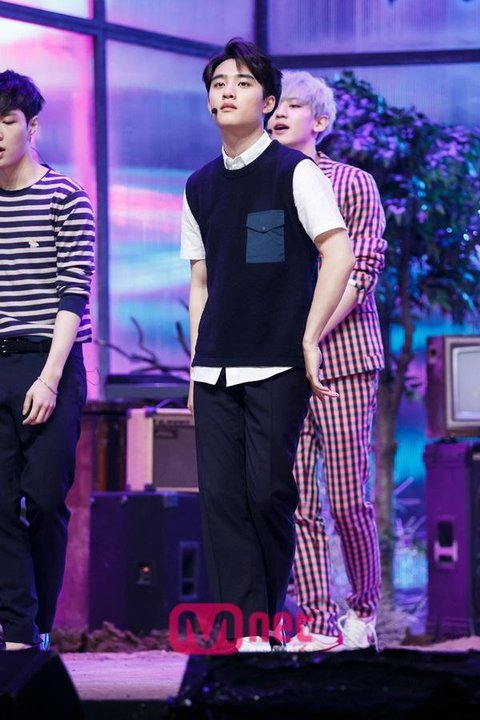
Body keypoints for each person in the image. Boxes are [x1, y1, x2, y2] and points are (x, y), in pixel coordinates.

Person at [180, 39, 355, 652]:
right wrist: (195, 364)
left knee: (268, 492)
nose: (228, 91)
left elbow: (339, 253)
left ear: (270, 101)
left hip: (277, 362)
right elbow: (200, 283)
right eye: (219, 83)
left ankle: (267, 619)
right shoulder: (199, 185)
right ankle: (247, 632)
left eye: (243, 82)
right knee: (221, 501)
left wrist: (309, 336)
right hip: (214, 367)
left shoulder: (295, 172)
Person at [268, 71, 386, 651]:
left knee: (346, 498)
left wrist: (311, 334)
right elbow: (260, 274)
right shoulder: (263, 188)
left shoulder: (353, 183)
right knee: (297, 502)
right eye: (275, 104)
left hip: (342, 360)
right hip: (283, 366)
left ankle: (363, 610)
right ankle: (319, 620)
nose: (279, 113)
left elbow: (361, 272)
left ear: (319, 121)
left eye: (293, 105)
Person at [0, 70, 95, 651]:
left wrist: (50, 379)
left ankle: (37, 627)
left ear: (31, 127)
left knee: (43, 501)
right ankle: (16, 629)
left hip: (51, 361)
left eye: (6, 121)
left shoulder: (66, 196)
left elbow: (72, 294)